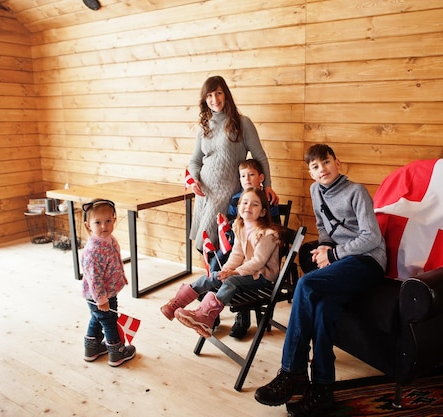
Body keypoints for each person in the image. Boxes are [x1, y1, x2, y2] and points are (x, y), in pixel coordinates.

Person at [254, 144, 387, 417]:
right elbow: (324, 227)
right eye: (315, 166)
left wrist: (334, 254)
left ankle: (292, 371)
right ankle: (324, 387)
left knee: (306, 284)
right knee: (324, 307)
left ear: (338, 163)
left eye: (326, 162)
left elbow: (372, 237)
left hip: (367, 261)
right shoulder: (315, 191)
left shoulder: (356, 192)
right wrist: (324, 249)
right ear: (311, 173)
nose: (322, 169)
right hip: (342, 260)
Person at [160, 187, 281, 339]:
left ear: (263, 212)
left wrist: (234, 272)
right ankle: (177, 304)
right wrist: (226, 270)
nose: (248, 207)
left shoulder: (267, 234)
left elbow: (258, 262)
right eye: (244, 202)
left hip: (262, 276)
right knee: (213, 276)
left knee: (231, 281)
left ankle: (205, 317)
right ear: (238, 207)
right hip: (245, 271)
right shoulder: (240, 227)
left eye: (255, 204)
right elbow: (237, 254)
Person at [188, 75, 278, 255]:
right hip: (204, 192)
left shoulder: (242, 123)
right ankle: (214, 279)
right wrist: (194, 180)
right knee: (204, 245)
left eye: (218, 93)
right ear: (205, 100)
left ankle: (218, 280)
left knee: (215, 241)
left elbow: (259, 155)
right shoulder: (204, 127)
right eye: (210, 96)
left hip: (226, 192)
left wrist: (267, 185)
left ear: (226, 94)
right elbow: (195, 161)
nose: (215, 99)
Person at [212, 158, 281, 339]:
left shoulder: (268, 199)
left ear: (261, 177)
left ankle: (242, 317)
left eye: (251, 174)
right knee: (215, 263)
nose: (247, 179)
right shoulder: (236, 199)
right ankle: (213, 314)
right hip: (238, 244)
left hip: (258, 247)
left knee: (236, 272)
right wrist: (226, 227)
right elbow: (236, 228)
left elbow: (274, 228)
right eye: (243, 175)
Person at [81, 198, 136, 367]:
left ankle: (92, 348)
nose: (104, 226)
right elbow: (94, 279)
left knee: (97, 319)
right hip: (99, 295)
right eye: (98, 222)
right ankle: (116, 352)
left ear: (114, 220)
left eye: (108, 221)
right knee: (110, 321)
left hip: (108, 292)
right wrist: (101, 299)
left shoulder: (109, 240)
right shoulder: (93, 251)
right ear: (88, 225)